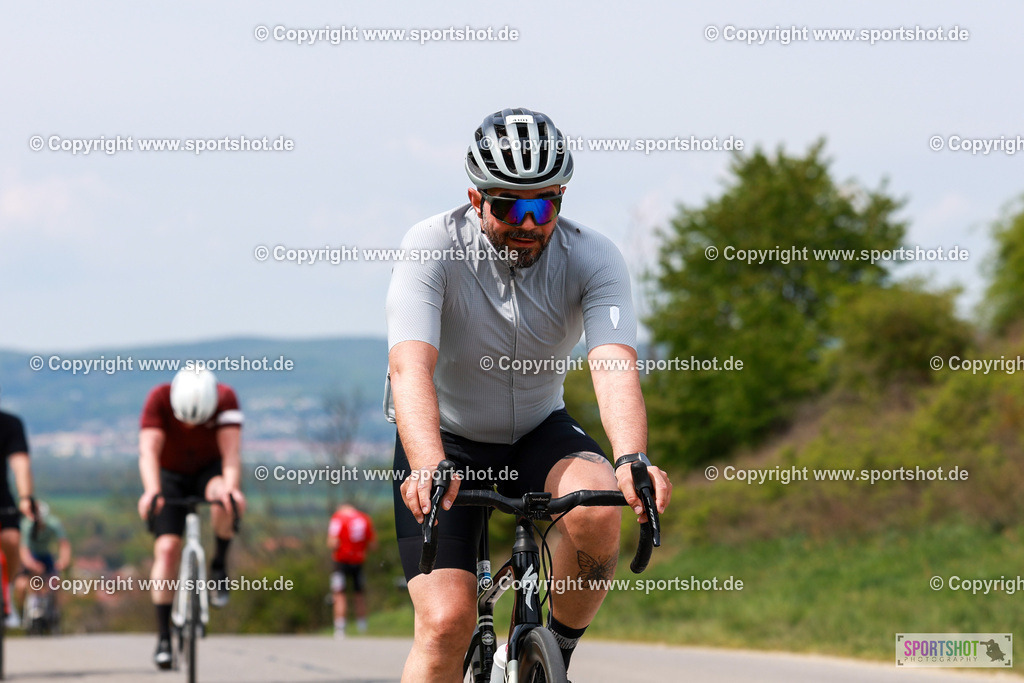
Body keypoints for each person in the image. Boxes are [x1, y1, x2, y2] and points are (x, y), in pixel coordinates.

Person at [384, 107, 672, 682]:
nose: (528, 222)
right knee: (446, 624)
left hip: (538, 430)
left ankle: (554, 653)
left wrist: (632, 458)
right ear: (475, 198)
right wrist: (425, 463)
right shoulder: (432, 248)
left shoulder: (594, 258)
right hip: (446, 441)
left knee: (595, 501)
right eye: (508, 206)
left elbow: (613, 363)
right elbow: (409, 365)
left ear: (560, 200)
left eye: (542, 206)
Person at [137, 368, 246, 670]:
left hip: (209, 471)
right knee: (167, 550)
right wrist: (151, 492)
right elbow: (148, 451)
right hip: (169, 475)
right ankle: (163, 637)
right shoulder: (158, 399)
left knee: (224, 499)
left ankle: (219, 564)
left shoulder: (226, 398)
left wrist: (232, 489)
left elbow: (231, 455)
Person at [0, 398, 36, 628]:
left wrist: (25, 497)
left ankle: (7, 589)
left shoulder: (10, 424)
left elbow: (20, 464)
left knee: (11, 540)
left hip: (1, 495)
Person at [14, 500, 71, 624]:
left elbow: (64, 544)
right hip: (31, 556)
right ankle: (21, 613)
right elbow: (24, 550)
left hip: (45, 555)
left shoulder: (54, 524)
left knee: (55, 582)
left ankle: (55, 612)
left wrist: (63, 561)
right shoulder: (26, 525)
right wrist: (32, 564)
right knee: (22, 585)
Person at [327, 502, 377, 637]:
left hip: (340, 562)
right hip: (358, 561)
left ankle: (340, 628)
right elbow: (373, 544)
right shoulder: (365, 518)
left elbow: (333, 542)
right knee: (359, 594)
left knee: (339, 594)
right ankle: (362, 627)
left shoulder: (338, 518)